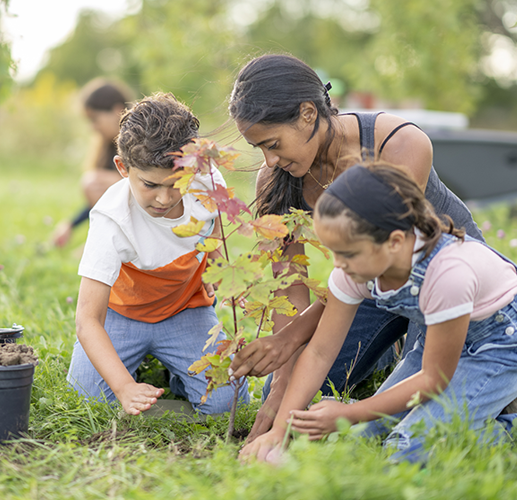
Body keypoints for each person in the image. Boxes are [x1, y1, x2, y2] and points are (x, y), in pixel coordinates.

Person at [226, 53, 485, 442]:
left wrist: (292, 339)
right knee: (286, 396)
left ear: (308, 114)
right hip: (364, 283)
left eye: (274, 143)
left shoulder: (399, 145)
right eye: (259, 147)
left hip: (441, 279)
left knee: (407, 409)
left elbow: (385, 254)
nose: (270, 160)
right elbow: (290, 285)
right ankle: (386, 347)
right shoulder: (277, 177)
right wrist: (282, 379)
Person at [239, 163, 517, 463]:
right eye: (334, 251)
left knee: (409, 449)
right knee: (361, 439)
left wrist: (348, 412)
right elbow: (319, 352)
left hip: (499, 345)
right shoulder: (357, 268)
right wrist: (278, 433)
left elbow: (434, 378)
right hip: (440, 346)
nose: (339, 264)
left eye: (348, 253)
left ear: (395, 241)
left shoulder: (449, 274)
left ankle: (507, 428)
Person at [67, 93, 249, 415]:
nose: (164, 199)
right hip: (122, 316)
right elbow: (87, 321)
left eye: (176, 182)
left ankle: (178, 374)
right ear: (123, 168)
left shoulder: (207, 183)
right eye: (150, 184)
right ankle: (136, 373)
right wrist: (124, 388)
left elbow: (216, 231)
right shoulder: (111, 219)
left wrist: (216, 267)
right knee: (88, 400)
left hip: (184, 310)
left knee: (227, 403)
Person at [52, 79, 134, 247]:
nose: (93, 127)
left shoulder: (138, 141)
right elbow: (102, 200)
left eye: (95, 119)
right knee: (93, 182)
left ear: (118, 111)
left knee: (93, 182)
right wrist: (70, 224)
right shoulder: (108, 146)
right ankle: (104, 242)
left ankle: (110, 243)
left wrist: (122, 182)